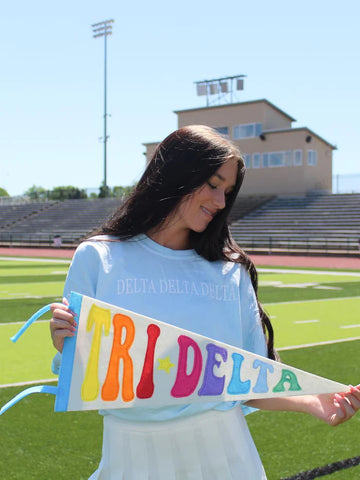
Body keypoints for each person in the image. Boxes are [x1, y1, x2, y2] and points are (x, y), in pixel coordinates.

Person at [50, 125, 360, 480]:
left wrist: (313, 401)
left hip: (227, 458)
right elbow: (83, 373)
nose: (221, 202)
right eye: (213, 184)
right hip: (130, 456)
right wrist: (65, 342)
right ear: (176, 174)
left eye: (227, 191)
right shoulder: (98, 258)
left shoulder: (231, 272)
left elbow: (248, 381)